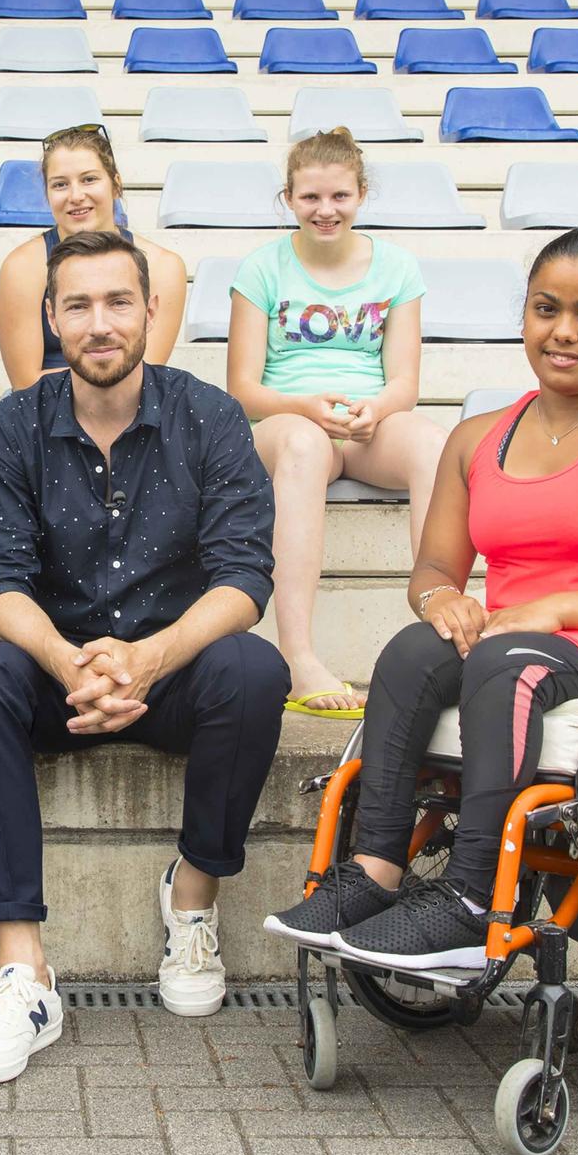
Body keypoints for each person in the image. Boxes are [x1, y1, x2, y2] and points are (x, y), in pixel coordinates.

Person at [263, 227, 578, 972]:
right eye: (546, 309)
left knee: (503, 665)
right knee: (413, 653)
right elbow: (433, 570)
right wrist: (440, 601)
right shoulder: (479, 439)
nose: (563, 331)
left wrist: (561, 609)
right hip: (516, 635)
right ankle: (373, 873)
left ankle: (468, 896)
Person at [0, 229, 288, 1085]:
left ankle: (193, 900)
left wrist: (150, 658)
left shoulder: (208, 414)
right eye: (79, 305)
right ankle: (24, 971)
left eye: (117, 302)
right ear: (52, 318)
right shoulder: (12, 427)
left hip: (170, 676)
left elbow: (245, 575)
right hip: (54, 674)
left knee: (254, 670)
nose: (100, 324)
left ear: (151, 310)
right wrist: (69, 663)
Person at [228, 128, 449, 722]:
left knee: (434, 443)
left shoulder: (398, 267)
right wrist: (305, 408)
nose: (325, 211)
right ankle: (298, 655)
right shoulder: (261, 269)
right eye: (310, 199)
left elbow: (404, 379)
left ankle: (442, 624)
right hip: (287, 422)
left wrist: (377, 409)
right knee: (302, 446)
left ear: (361, 194)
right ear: (289, 199)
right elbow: (243, 388)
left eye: (339, 198)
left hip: (366, 421)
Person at [0, 124, 188, 391]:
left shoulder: (163, 266)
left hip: (130, 407)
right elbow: (25, 383)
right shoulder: (22, 267)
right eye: (60, 184)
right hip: (43, 409)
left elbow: (142, 376)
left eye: (89, 179)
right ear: (47, 194)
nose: (75, 196)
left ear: (116, 185)